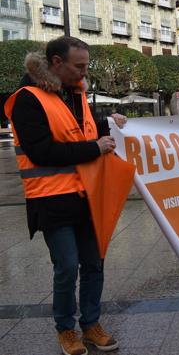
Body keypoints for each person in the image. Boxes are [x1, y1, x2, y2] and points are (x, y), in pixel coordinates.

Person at [4, 36, 125, 355]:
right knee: (68, 266)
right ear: (57, 63)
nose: (85, 72)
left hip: (88, 195)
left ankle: (91, 324)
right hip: (52, 199)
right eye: (79, 66)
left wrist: (109, 124)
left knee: (94, 264)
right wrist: (94, 147)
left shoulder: (76, 93)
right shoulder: (26, 98)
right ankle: (66, 329)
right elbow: (41, 150)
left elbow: (83, 131)